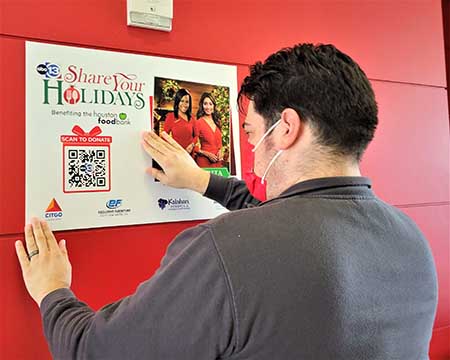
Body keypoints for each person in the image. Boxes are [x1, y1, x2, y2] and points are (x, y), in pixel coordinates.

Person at [15, 44, 438, 360]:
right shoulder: (411, 241)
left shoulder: (224, 250)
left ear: (287, 127)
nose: (252, 152)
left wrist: (53, 292)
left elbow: (96, 351)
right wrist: (205, 182)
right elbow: (294, 231)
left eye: (252, 134)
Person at [162, 88, 197, 156]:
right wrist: (171, 149)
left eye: (187, 102)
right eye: (182, 101)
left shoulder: (192, 118)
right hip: (177, 155)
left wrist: (192, 145)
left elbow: (196, 136)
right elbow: (164, 136)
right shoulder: (171, 117)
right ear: (177, 101)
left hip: (190, 155)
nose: (184, 104)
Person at [194, 92, 223, 167]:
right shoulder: (198, 122)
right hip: (204, 162)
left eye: (210, 104)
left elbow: (219, 144)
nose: (208, 107)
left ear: (214, 106)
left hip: (217, 162)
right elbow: (193, 146)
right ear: (202, 105)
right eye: (205, 104)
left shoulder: (217, 122)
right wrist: (207, 154)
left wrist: (220, 151)